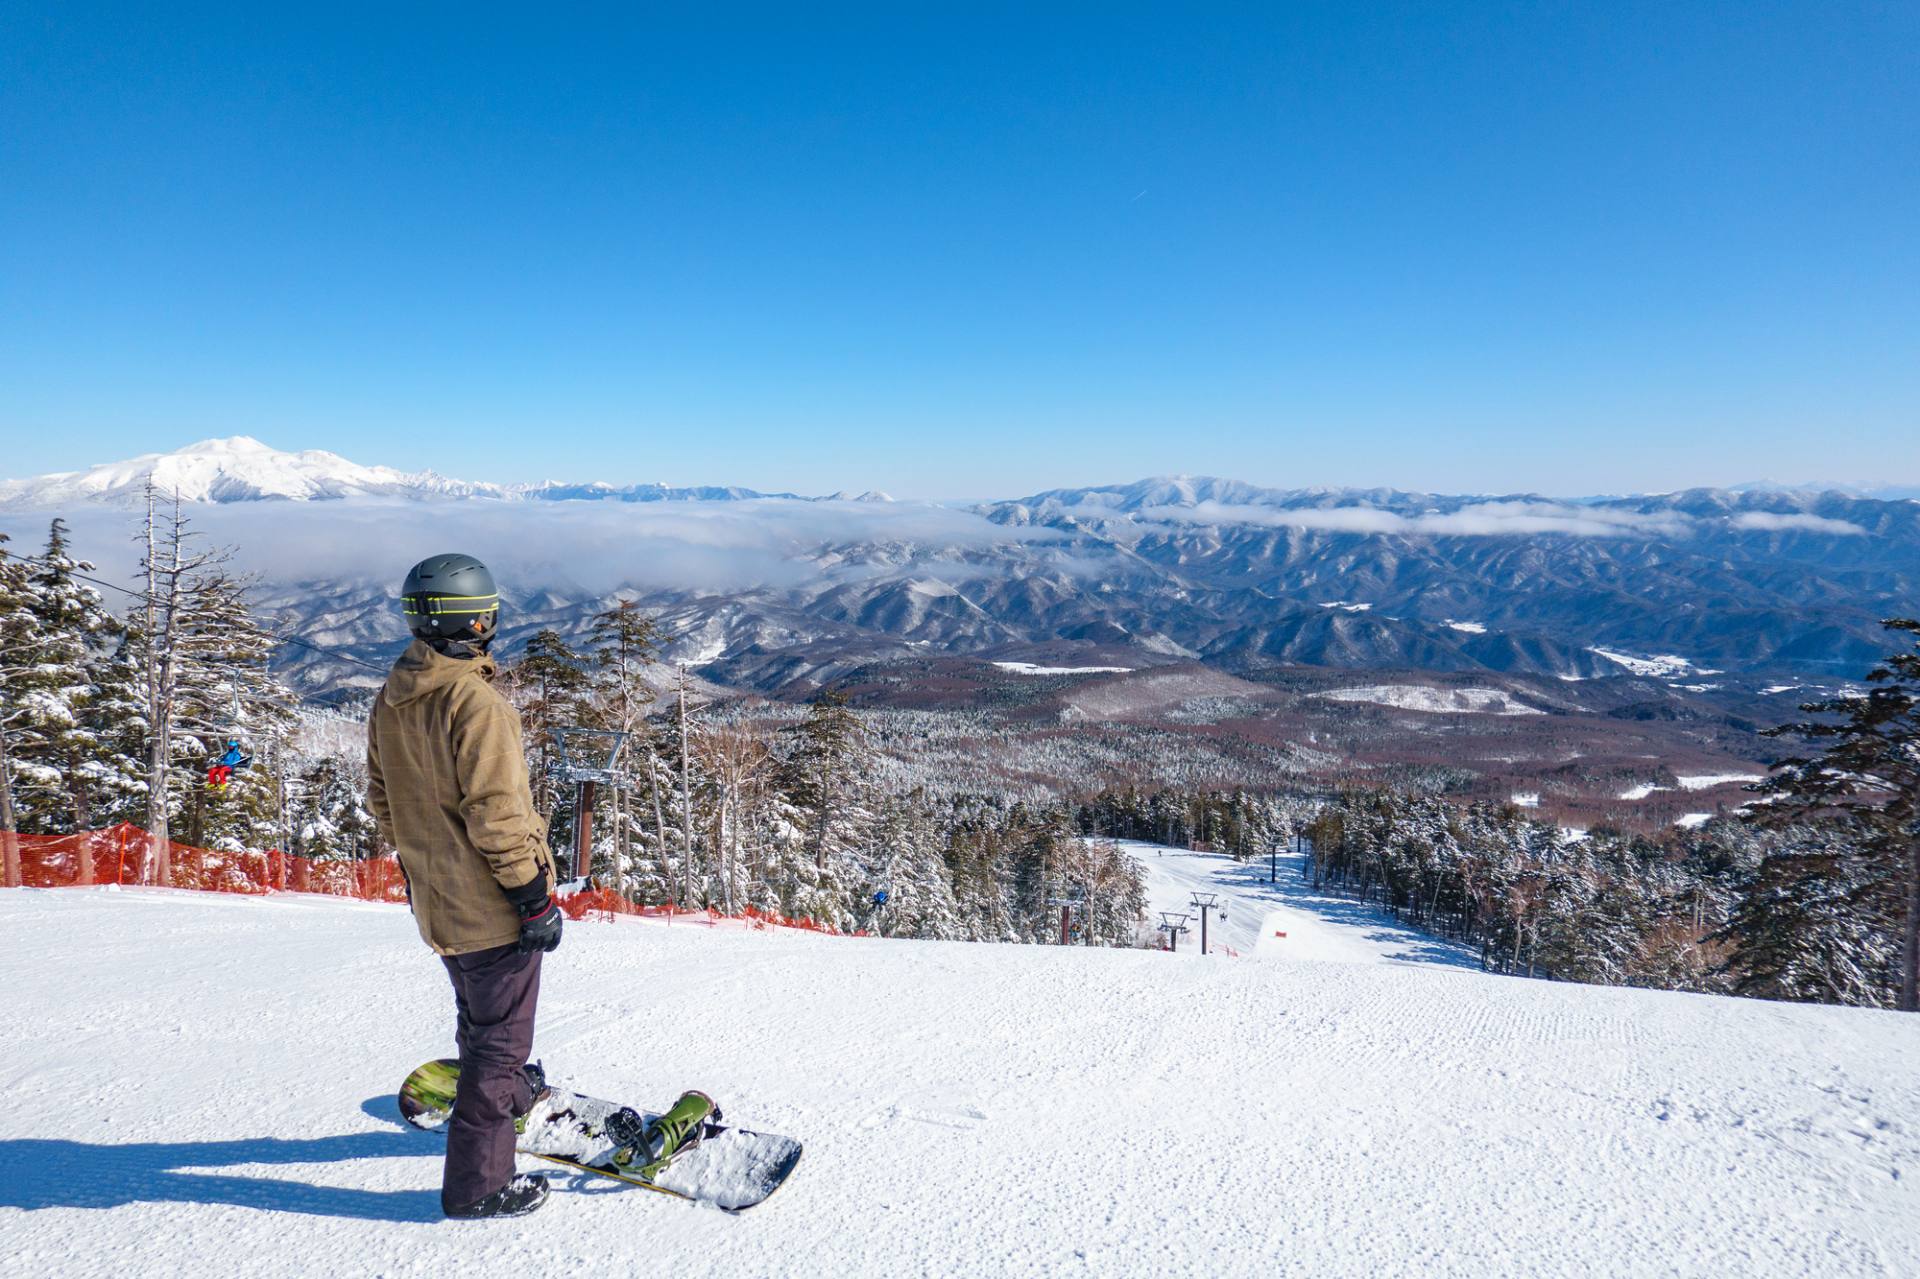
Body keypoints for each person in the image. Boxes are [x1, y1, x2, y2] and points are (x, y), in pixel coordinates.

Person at [366, 552, 564, 1220]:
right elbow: (498, 815)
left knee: (484, 1018)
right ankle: (479, 1182)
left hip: (440, 901)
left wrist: (427, 858)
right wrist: (532, 897)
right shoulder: (475, 703)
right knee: (500, 1041)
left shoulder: (396, 692)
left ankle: (509, 1093)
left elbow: (381, 796)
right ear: (477, 619)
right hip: (490, 906)